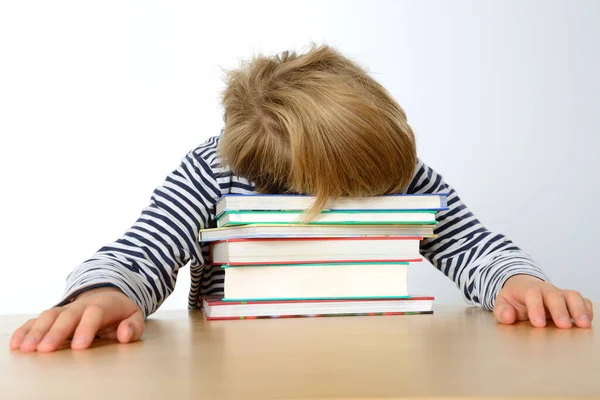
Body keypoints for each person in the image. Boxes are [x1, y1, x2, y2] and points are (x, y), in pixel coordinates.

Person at [10, 45, 593, 353]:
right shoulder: (215, 169)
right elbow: (144, 249)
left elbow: (470, 243)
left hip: (373, 362)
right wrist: (103, 291)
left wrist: (519, 280)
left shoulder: (397, 171)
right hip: (235, 368)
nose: (386, 185)